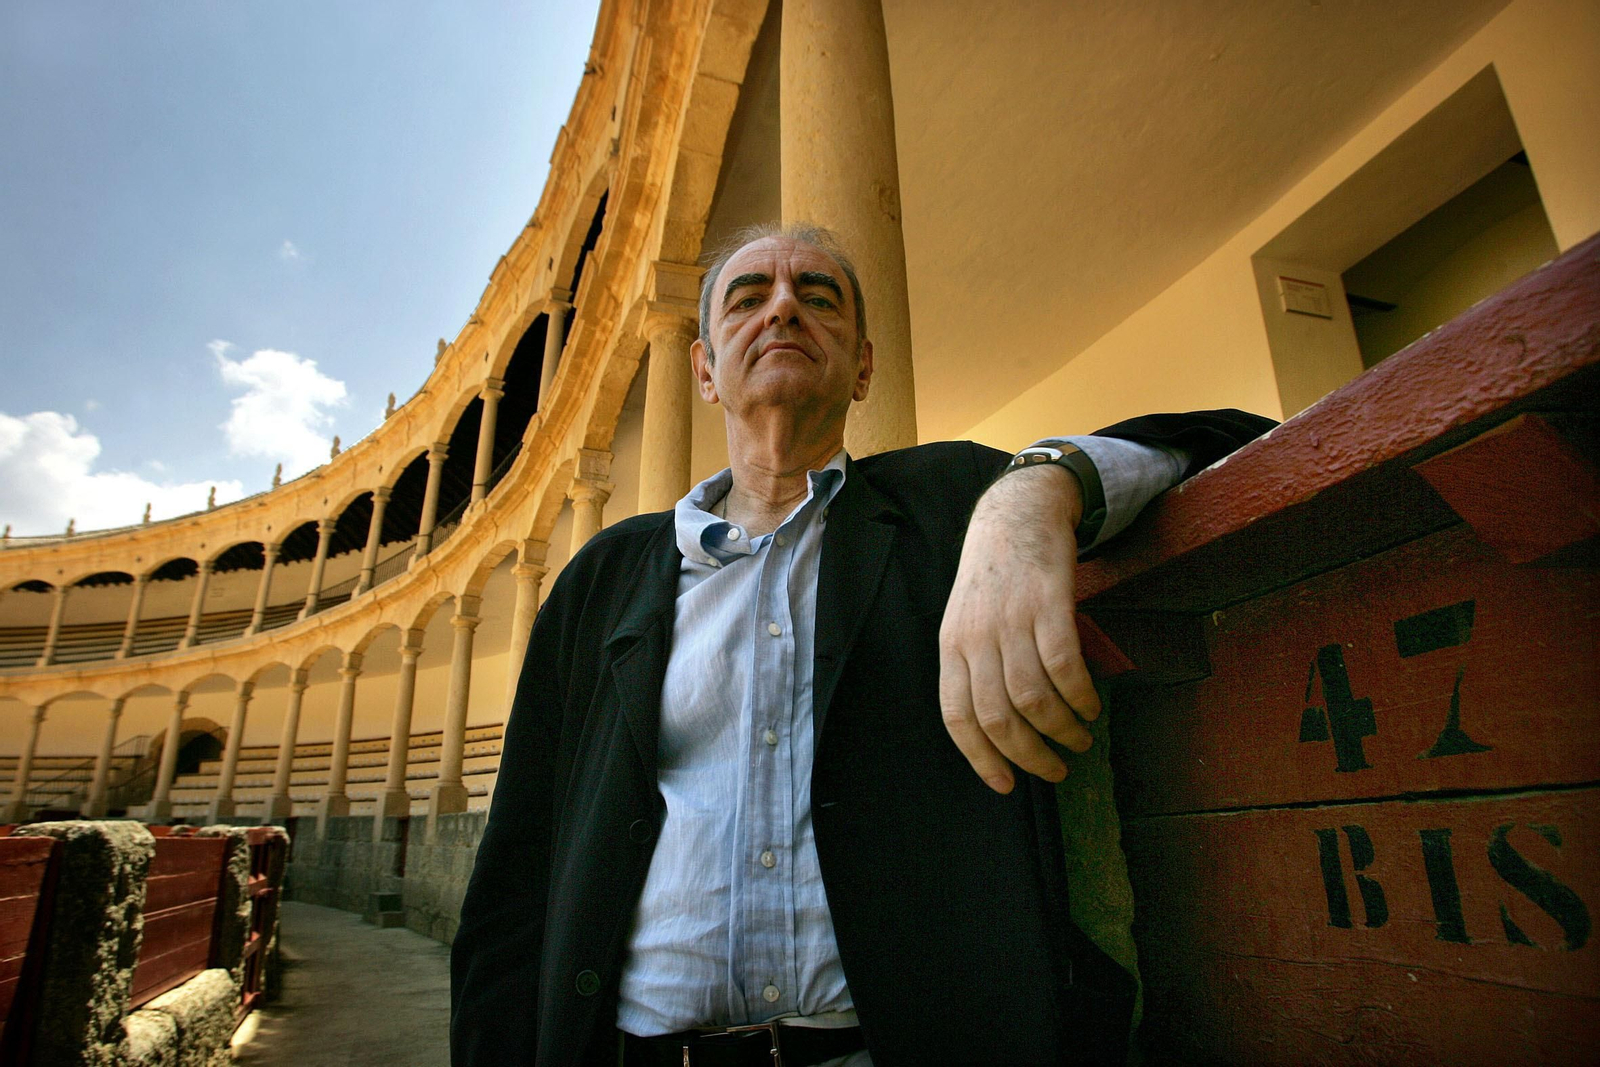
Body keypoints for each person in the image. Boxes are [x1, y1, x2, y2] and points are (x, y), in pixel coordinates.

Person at [451, 223, 1272, 1066]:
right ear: (703, 369)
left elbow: (1231, 438)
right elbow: (515, 879)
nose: (781, 310)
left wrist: (1035, 490)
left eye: (817, 296)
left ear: (865, 365)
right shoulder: (602, 577)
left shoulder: (949, 503)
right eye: (748, 297)